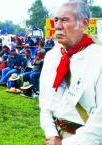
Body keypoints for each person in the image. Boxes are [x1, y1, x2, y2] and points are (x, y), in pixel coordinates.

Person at [39, 1, 102, 145]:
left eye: (65, 20)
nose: (58, 26)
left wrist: (66, 144)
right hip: (56, 136)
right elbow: (45, 101)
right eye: (56, 20)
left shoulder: (98, 57)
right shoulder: (51, 57)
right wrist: (51, 134)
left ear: (84, 24)